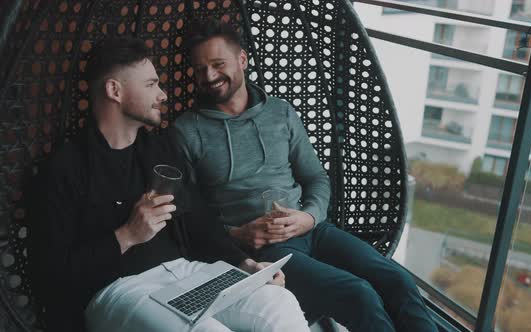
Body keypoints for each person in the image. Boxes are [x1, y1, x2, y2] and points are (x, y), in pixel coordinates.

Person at [173, 19, 439, 332]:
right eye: (200, 69)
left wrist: (309, 217)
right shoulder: (186, 131)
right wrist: (236, 234)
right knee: (359, 294)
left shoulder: (280, 112)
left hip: (314, 229)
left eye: (218, 64)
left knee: (398, 280)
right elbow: (186, 215)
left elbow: (316, 179)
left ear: (242, 60)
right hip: (266, 249)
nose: (209, 76)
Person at [29, 37, 309, 332]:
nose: (162, 95)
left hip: (185, 273)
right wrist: (126, 235)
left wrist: (245, 265)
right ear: (115, 91)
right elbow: (52, 273)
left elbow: (198, 220)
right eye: (151, 85)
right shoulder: (65, 169)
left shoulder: (160, 151)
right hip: (117, 291)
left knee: (278, 302)